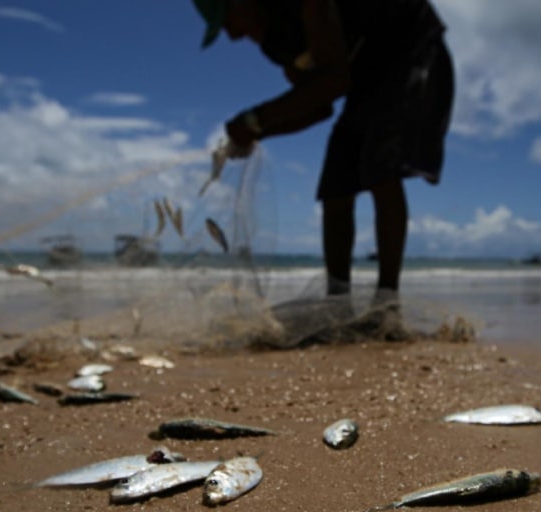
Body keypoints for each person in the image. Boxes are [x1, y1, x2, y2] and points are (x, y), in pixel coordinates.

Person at [193, 0, 454, 333]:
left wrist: (255, 118)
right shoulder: (277, 44)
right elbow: (318, 107)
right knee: (336, 186)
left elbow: (333, 82)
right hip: (364, 77)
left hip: (411, 52)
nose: (231, 35)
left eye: (227, 20)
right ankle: (338, 304)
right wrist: (257, 130)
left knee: (381, 168)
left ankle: (386, 303)